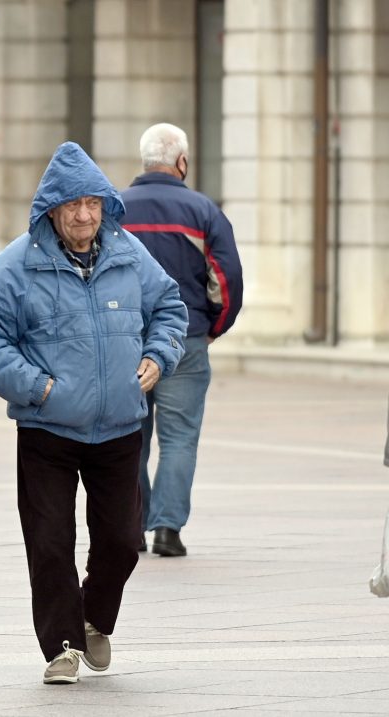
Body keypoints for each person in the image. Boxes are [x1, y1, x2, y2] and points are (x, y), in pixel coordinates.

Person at [0, 141, 187, 684]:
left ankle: (94, 616)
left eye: (92, 204)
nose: (84, 216)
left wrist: (159, 355)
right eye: (72, 206)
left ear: (105, 206)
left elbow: (171, 308)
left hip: (119, 428)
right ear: (51, 212)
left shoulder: (130, 255)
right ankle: (61, 647)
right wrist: (38, 388)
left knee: (120, 541)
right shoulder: (15, 265)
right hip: (48, 429)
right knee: (49, 542)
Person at [121, 123, 243, 557]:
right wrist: (212, 328)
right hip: (184, 338)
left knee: (129, 434)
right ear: (182, 162)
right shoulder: (203, 211)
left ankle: (130, 527)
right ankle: (168, 531)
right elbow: (226, 282)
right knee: (179, 438)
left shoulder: (115, 209)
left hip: (126, 342)